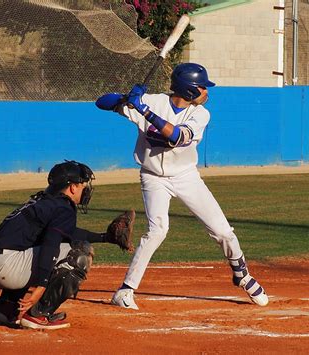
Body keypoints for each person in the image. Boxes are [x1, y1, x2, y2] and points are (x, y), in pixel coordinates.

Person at [96, 62, 268, 309]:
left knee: (222, 231)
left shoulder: (200, 114)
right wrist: (125, 98)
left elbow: (177, 137)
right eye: (202, 87)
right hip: (153, 177)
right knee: (157, 231)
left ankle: (242, 274)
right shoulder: (151, 101)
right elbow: (101, 102)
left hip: (186, 177)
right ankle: (125, 291)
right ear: (188, 90)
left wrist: (143, 110)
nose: (207, 92)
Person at [0, 160, 135, 329]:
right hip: (7, 267)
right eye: (82, 185)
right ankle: (39, 314)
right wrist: (42, 284)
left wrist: (105, 237)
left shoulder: (44, 201)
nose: (85, 190)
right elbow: (51, 243)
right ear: (72, 187)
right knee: (80, 253)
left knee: (39, 247)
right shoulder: (63, 207)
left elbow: (67, 233)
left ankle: (7, 308)